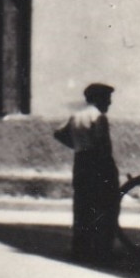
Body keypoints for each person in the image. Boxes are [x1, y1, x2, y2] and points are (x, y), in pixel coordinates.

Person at [55, 82, 119, 264]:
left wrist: (75, 145)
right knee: (105, 205)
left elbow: (58, 133)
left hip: (80, 161)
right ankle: (102, 250)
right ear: (98, 98)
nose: (110, 103)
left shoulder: (76, 115)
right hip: (98, 163)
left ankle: (80, 248)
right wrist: (109, 166)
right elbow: (102, 143)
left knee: (82, 204)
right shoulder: (98, 117)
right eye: (107, 98)